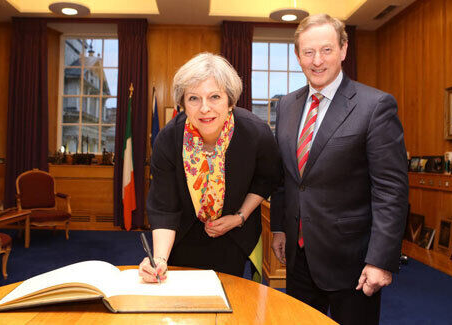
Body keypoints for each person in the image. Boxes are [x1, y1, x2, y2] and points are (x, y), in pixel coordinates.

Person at [270, 14, 408, 325]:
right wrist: (279, 227)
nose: (317, 61)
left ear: (343, 49)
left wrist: (380, 260)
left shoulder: (375, 106)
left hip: (353, 264)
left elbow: (391, 191)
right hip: (298, 257)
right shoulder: (287, 105)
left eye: (327, 50)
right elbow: (286, 177)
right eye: (308, 52)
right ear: (298, 56)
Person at [139, 53, 281, 282]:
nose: (205, 108)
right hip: (182, 235)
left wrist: (240, 217)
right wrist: (160, 259)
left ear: (230, 100)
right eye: (194, 98)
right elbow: (164, 207)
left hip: (235, 233)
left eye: (214, 96)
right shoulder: (168, 139)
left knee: (231, 299)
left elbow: (266, 179)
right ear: (183, 103)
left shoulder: (256, 133)